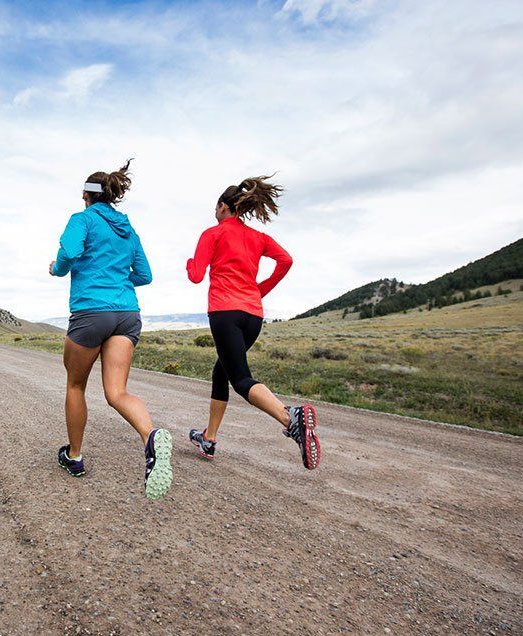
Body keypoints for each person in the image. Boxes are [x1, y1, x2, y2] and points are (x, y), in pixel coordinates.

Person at [49, 160, 173, 500]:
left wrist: (56, 268)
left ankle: (74, 456)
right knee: (117, 392)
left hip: (91, 312)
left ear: (86, 196)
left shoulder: (82, 220)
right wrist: (117, 278)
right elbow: (144, 275)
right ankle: (150, 436)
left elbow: (69, 253)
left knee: (76, 385)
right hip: (127, 314)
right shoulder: (128, 231)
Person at [185, 175, 321, 470]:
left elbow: (196, 275)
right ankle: (209, 437)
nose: (215, 212)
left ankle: (290, 418)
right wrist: (260, 289)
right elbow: (286, 260)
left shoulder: (214, 233)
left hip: (225, 312)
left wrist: (189, 264)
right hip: (253, 315)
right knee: (221, 371)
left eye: (216, 207)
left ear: (223, 207)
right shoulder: (257, 237)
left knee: (241, 379)